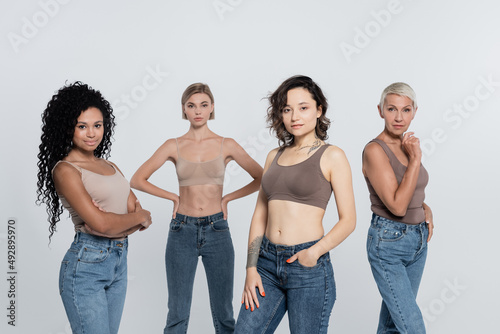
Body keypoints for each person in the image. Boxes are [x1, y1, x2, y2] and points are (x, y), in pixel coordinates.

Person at [130, 82, 263, 334]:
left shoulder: (227, 144)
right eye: (191, 106)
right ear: (184, 110)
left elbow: (262, 178)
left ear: (212, 108)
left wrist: (227, 199)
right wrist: (172, 196)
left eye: (203, 105)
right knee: (177, 314)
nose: (198, 111)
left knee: (224, 314)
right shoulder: (173, 145)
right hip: (182, 230)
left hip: (217, 230)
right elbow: (137, 179)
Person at [235, 75, 356, 334]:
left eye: (303, 107)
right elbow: (260, 215)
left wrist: (313, 253)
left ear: (318, 110)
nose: (294, 116)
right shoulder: (273, 156)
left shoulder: (332, 155)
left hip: (307, 268)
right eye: (287, 109)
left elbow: (349, 220)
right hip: (266, 263)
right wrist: (251, 267)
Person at [36, 82, 152, 334]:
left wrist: (131, 218)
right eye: (82, 126)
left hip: (119, 262)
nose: (91, 133)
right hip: (86, 267)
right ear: (69, 128)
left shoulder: (111, 167)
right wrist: (133, 217)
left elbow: (132, 216)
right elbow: (102, 225)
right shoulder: (66, 170)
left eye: (97, 125)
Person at [362, 82, 434, 333]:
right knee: (411, 325)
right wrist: (415, 160)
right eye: (391, 109)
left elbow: (411, 191)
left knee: (393, 323)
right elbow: (397, 205)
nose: (399, 117)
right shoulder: (375, 150)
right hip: (388, 243)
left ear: (414, 111)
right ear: (380, 110)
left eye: (405, 110)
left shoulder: (406, 145)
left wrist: (425, 208)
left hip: (418, 240)